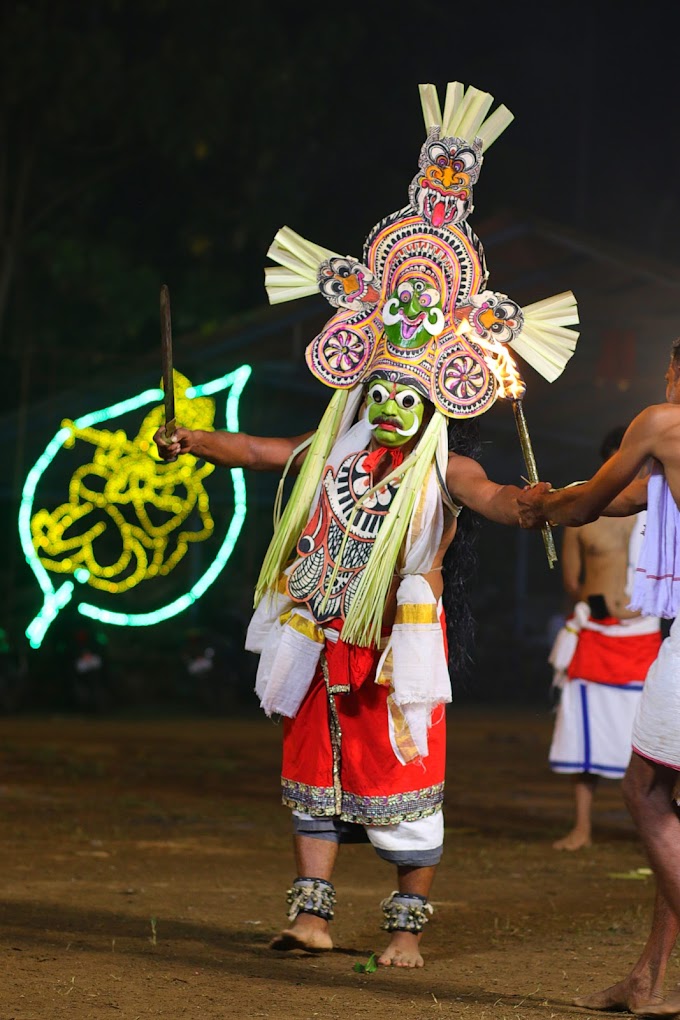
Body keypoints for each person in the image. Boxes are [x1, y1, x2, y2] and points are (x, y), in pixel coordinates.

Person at [155, 80, 579, 970]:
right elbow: (269, 452)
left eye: (404, 396)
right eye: (377, 391)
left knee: (404, 782)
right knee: (313, 769)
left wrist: (546, 503)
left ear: (433, 404)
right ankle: (311, 917)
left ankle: (402, 930)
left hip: (396, 644)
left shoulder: (448, 468)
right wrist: (193, 437)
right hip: (321, 627)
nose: (388, 405)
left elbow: (504, 501)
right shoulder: (334, 445)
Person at [518, 337, 680, 1014]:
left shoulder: (664, 422)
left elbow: (591, 505)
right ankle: (648, 977)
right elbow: (631, 497)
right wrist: (561, 498)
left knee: (645, 790)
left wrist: (541, 507)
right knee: (671, 803)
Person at [547, 427, 661, 851]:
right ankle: (582, 827)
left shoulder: (661, 508)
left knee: (653, 730)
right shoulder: (583, 513)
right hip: (595, 632)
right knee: (584, 726)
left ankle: (655, 826)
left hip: (643, 632)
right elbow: (572, 580)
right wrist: (589, 604)